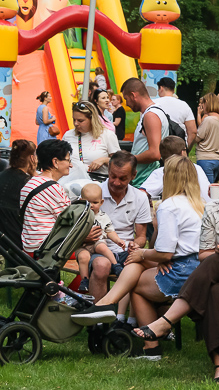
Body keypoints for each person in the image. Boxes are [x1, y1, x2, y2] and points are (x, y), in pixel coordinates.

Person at [130, 161, 219, 380]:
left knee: (215, 263)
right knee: (216, 290)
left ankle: (166, 322)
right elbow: (203, 254)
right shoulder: (214, 208)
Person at [75, 156, 205, 361]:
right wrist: (148, 253)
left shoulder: (169, 205)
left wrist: (143, 253)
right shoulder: (199, 204)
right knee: (135, 263)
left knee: (136, 284)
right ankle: (110, 307)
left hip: (181, 269)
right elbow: (167, 250)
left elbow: (165, 252)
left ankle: (148, 346)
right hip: (197, 266)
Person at [89, 151, 152, 302]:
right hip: (96, 248)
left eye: (122, 178)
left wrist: (135, 245)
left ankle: (127, 314)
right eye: (113, 176)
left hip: (125, 250)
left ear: (133, 175)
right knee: (101, 265)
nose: (116, 182)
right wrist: (86, 237)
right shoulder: (93, 193)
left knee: (151, 264)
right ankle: (98, 313)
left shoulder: (140, 197)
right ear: (108, 172)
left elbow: (141, 236)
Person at [19, 139, 75, 254]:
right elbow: (70, 220)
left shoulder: (30, 183)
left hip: (29, 247)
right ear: (55, 162)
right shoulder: (53, 188)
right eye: (68, 160)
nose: (71, 165)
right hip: (47, 250)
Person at [0, 139, 36, 255]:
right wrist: (34, 173)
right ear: (32, 158)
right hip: (13, 241)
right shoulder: (27, 182)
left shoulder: (1, 176)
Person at [75, 183, 127, 293]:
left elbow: (109, 231)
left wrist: (117, 240)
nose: (91, 205)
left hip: (98, 242)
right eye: (88, 202)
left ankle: (115, 265)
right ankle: (84, 280)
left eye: (95, 202)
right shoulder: (78, 216)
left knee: (102, 247)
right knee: (83, 257)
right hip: (82, 246)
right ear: (81, 201)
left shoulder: (103, 216)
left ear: (101, 202)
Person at [121, 78, 169, 186]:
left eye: (126, 99)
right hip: (144, 180)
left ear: (133, 95)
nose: (127, 104)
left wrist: (129, 159)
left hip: (146, 181)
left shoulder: (151, 115)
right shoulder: (151, 113)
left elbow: (155, 153)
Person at [142, 136, 211, 202]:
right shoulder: (197, 168)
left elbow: (142, 194)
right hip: (204, 206)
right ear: (182, 152)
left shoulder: (163, 171)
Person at [62, 101, 121, 177]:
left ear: (92, 119)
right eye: (74, 120)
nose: (76, 123)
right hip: (71, 179)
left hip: (98, 178)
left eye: (80, 121)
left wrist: (104, 160)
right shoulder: (68, 135)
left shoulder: (107, 135)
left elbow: (119, 163)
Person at [154, 77, 196, 148]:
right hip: (178, 147)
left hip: (158, 146)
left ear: (161, 88)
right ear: (173, 90)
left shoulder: (153, 104)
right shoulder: (184, 105)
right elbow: (193, 131)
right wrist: (186, 149)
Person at [195, 92, 219, 182]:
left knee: (207, 188)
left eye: (203, 103)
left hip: (205, 158)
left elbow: (198, 137)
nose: (202, 106)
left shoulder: (208, 119)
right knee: (213, 187)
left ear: (207, 103)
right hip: (217, 159)